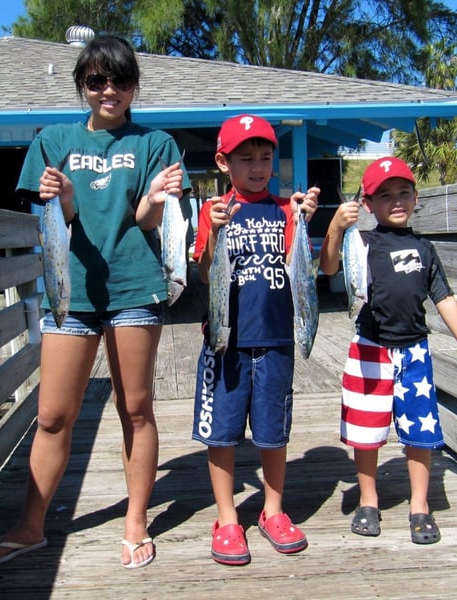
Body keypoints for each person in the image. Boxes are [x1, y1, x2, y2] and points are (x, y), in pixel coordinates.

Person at [0, 35, 188, 570]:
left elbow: (146, 224)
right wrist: (66, 201)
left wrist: (155, 202)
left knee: (135, 408)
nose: (109, 90)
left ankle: (136, 522)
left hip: (135, 287)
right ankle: (31, 527)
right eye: (96, 81)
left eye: (120, 80)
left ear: (135, 86)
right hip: (69, 291)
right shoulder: (52, 141)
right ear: (82, 86)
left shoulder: (156, 144)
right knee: (51, 414)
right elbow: (52, 224)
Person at [319, 156, 457, 544]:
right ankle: (369, 498)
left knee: (419, 432)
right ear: (369, 203)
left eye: (404, 193)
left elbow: (443, 297)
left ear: (416, 197)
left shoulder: (424, 248)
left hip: (415, 352)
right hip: (369, 350)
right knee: (365, 431)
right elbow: (328, 268)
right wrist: (335, 229)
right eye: (384, 195)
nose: (396, 201)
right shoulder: (362, 241)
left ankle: (420, 506)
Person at [192, 114, 319, 565]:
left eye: (265, 158)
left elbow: (298, 267)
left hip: (277, 339)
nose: (258, 167)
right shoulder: (215, 212)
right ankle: (227, 518)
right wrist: (215, 231)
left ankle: (272, 510)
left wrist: (305, 217)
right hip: (225, 341)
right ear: (224, 163)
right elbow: (207, 273)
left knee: (273, 432)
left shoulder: (286, 210)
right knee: (222, 433)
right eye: (246, 159)